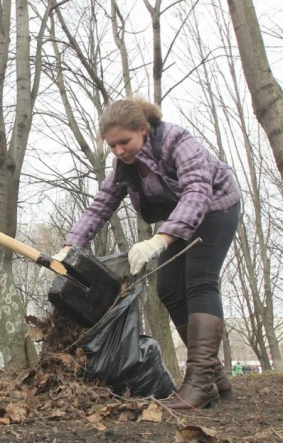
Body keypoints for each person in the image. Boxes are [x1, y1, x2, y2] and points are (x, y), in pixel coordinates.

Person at [56, 97, 240, 410]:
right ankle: (213, 376)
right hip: (177, 219)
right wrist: (69, 246)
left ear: (143, 129)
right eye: (112, 146)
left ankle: (198, 383)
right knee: (168, 289)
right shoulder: (123, 166)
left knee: (199, 281)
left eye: (124, 142)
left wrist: (158, 241)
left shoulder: (176, 141)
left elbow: (198, 192)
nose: (119, 151)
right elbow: (102, 205)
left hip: (215, 208)